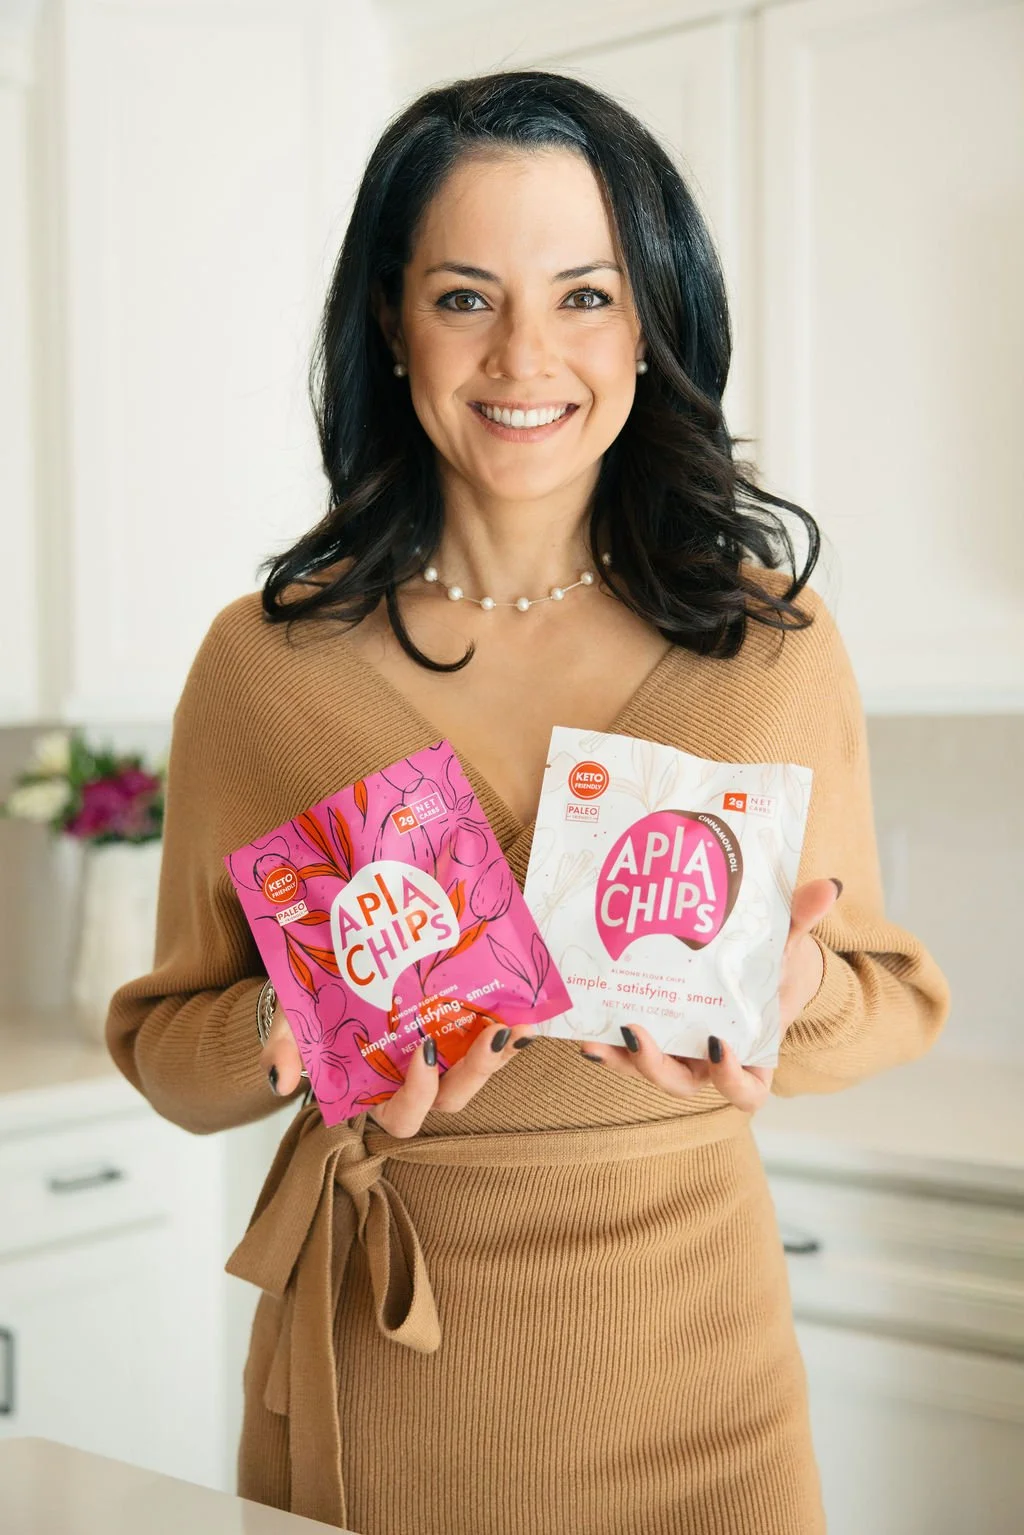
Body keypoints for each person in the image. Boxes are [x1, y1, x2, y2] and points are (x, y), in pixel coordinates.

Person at [106, 69, 951, 1535]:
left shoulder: (765, 647)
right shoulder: (265, 667)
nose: (524, 355)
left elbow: (890, 996)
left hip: (708, 1384)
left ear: (651, 320)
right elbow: (169, 1050)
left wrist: (786, 979)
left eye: (584, 295)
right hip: (394, 1371)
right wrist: (320, 1021)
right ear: (389, 317)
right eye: (462, 297)